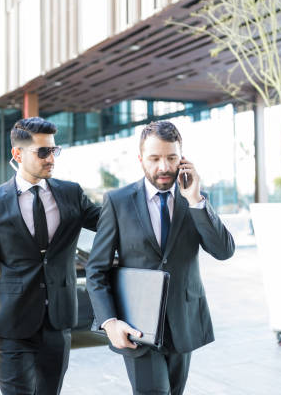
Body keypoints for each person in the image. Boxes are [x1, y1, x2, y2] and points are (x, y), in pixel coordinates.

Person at [86, 121, 235, 395]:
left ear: (182, 158)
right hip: (137, 326)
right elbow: (96, 270)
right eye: (154, 159)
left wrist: (196, 201)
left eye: (171, 157)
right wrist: (109, 322)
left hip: (184, 322)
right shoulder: (117, 202)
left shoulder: (195, 200)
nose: (164, 167)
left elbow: (223, 251)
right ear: (141, 159)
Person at [0, 117, 100, 395]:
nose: (51, 158)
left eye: (54, 150)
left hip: (58, 324)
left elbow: (111, 221)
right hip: (13, 328)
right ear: (17, 154)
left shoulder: (71, 193)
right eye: (42, 152)